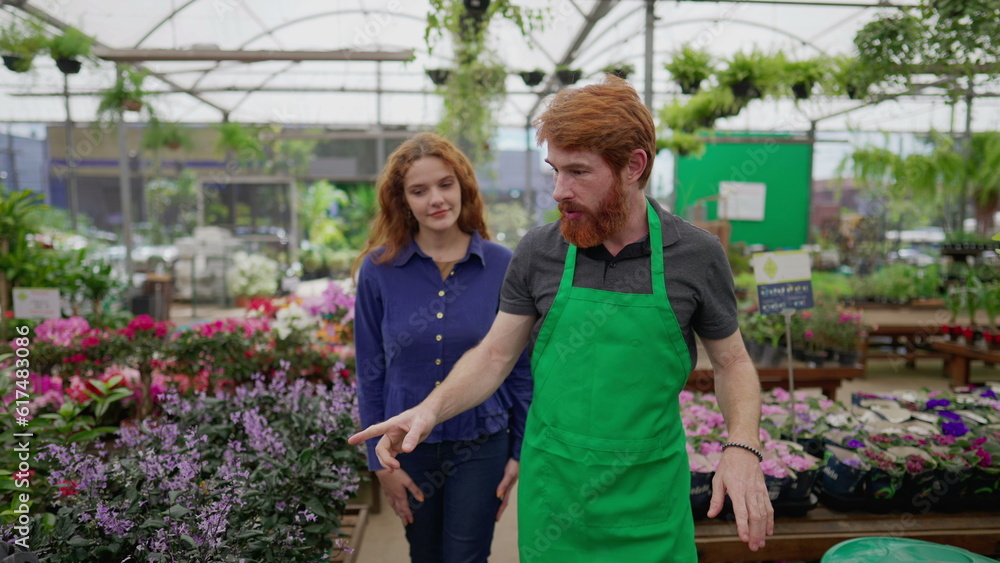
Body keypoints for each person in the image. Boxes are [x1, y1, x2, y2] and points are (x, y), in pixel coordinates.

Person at [350, 77, 773, 561]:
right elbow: (494, 355)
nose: (558, 191)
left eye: (577, 172)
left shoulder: (695, 255)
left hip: (649, 498)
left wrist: (742, 445)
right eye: (554, 170)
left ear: (634, 166)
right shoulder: (540, 251)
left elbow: (733, 363)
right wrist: (430, 409)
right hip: (556, 499)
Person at [352, 132, 533, 563]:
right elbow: (370, 371)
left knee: (466, 557)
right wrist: (379, 466)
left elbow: (520, 368)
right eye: (419, 190)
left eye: (445, 184)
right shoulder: (379, 271)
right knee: (425, 554)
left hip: (483, 443)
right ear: (403, 200)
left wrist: (518, 452)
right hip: (407, 449)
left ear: (463, 187)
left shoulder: (501, 265)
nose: (436, 199)